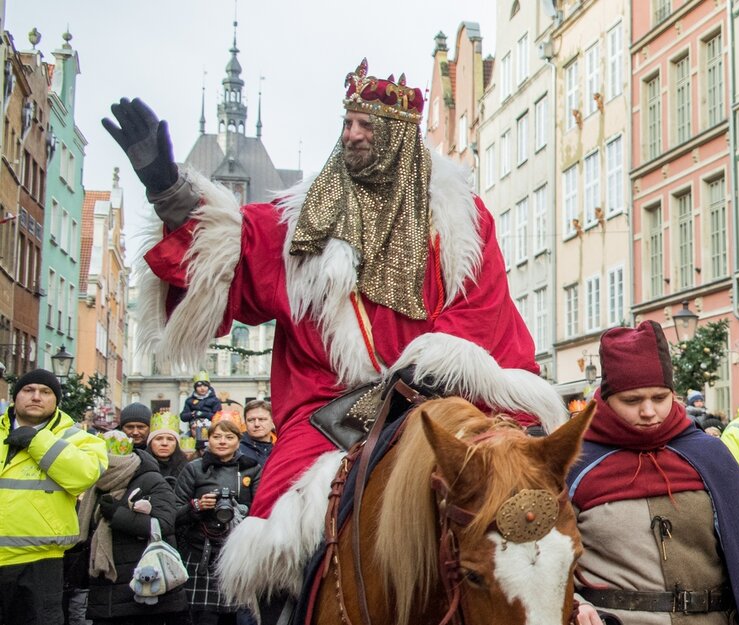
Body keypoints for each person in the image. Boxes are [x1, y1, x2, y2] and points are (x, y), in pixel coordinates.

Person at [104, 59, 562, 612]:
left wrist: (434, 364)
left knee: (535, 495)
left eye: (366, 124)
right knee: (279, 531)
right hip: (332, 411)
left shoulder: (463, 219)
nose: (351, 134)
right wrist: (168, 189)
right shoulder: (302, 219)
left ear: (398, 138)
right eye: (347, 122)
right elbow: (234, 258)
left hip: (451, 392)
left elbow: (483, 309)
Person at [568, 321, 739, 625]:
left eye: (660, 397)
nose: (648, 411)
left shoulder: (709, 456)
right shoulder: (575, 464)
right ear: (606, 400)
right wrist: (573, 604)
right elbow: (541, 562)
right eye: (632, 400)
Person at [0, 369, 108, 625]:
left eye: (45, 392)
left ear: (56, 401)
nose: (36, 396)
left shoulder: (79, 439)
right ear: (15, 397)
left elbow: (83, 475)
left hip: (39, 560)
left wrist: (38, 441)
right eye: (28, 390)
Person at [80, 434, 186, 624]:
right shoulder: (93, 484)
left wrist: (117, 515)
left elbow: (165, 525)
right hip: (105, 590)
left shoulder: (150, 479)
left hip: (145, 588)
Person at [173, 420, 261, 625]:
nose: (223, 442)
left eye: (229, 437)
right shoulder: (193, 469)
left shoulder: (252, 468)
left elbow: (260, 509)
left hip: (236, 552)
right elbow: (175, 513)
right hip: (200, 552)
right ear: (208, 440)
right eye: (217, 437)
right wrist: (197, 505)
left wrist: (239, 510)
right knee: (203, 617)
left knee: (233, 617)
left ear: (239, 442)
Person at [146, 412, 189, 486]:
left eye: (170, 439)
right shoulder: (139, 466)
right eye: (159, 438)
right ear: (150, 442)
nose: (164, 443)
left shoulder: (187, 469)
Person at [237, 400, 274, 467]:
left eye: (262, 419)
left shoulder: (280, 448)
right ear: (245, 423)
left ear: (273, 421)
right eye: (251, 420)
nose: (256, 424)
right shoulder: (235, 449)